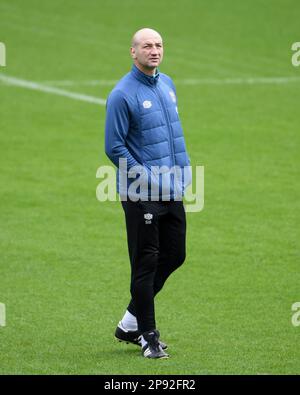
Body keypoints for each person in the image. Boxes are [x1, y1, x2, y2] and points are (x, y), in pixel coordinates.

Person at [105, 28, 191, 359]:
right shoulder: (121, 95)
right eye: (146, 46)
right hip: (140, 192)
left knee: (175, 254)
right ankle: (148, 336)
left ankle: (129, 322)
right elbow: (114, 147)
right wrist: (147, 178)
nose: (153, 50)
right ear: (133, 52)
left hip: (172, 187)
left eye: (158, 45)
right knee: (146, 262)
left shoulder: (167, 85)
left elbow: (171, 138)